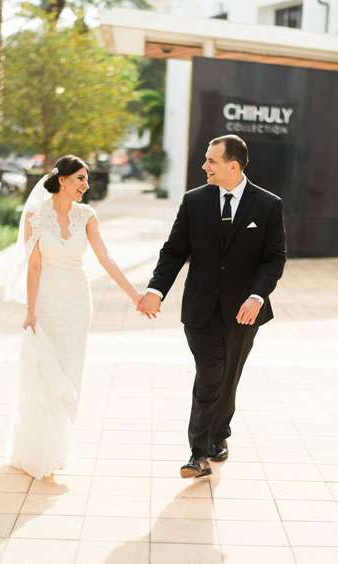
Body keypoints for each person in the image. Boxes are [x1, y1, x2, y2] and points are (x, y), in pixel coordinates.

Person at [137, 135, 286, 478]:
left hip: (243, 312)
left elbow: (274, 258)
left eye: (211, 161)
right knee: (210, 374)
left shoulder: (268, 205)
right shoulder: (194, 202)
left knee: (228, 377)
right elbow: (174, 250)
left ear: (233, 166)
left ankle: (219, 434)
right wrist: (156, 289)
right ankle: (198, 453)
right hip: (200, 310)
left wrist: (257, 296)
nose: (204, 166)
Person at [4, 155, 142, 480]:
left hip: (78, 303)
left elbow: (105, 257)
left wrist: (134, 294)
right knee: (45, 373)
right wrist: (30, 310)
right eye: (80, 178)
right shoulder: (35, 217)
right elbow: (34, 265)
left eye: (87, 178)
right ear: (62, 180)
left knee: (69, 373)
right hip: (48, 301)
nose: (86, 185)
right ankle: (39, 449)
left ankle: (58, 448)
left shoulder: (87, 216)